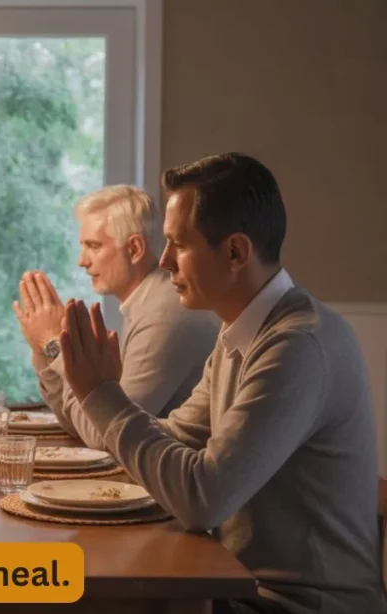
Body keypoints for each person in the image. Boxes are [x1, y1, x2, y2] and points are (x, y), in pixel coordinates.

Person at [58, 153, 384, 613]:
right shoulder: (240, 333)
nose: (165, 260)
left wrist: (103, 396)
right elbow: (177, 436)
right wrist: (102, 402)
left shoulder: (297, 346)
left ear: (235, 251)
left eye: (178, 244)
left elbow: (202, 498)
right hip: (232, 586)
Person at [14, 185, 218, 448]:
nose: (82, 261)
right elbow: (79, 424)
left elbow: (105, 436)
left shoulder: (165, 313)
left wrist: (55, 346)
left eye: (94, 246)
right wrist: (46, 349)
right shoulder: (147, 303)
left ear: (134, 249)